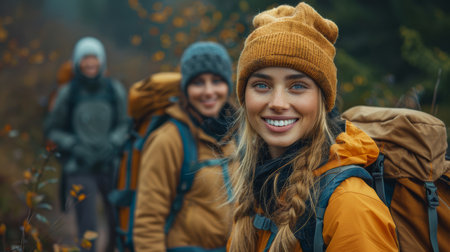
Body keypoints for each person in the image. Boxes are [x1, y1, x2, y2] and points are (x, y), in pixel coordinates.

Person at [228, 2, 399, 251]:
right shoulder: (260, 190)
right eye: (261, 85)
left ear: (323, 100)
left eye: (297, 86)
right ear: (244, 97)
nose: (277, 103)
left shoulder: (349, 204)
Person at [133, 41, 237, 251]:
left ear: (228, 85)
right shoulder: (168, 140)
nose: (209, 91)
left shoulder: (237, 135)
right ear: (186, 89)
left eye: (217, 81)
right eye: (198, 82)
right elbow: (148, 223)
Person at [44, 36, 128, 252]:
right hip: (79, 167)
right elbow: (53, 129)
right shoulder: (68, 93)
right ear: (77, 62)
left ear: (102, 61)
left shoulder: (114, 90)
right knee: (87, 224)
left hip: (110, 166)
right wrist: (74, 145)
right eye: (85, 58)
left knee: (117, 221)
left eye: (94, 58)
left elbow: (125, 124)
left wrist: (113, 142)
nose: (90, 63)